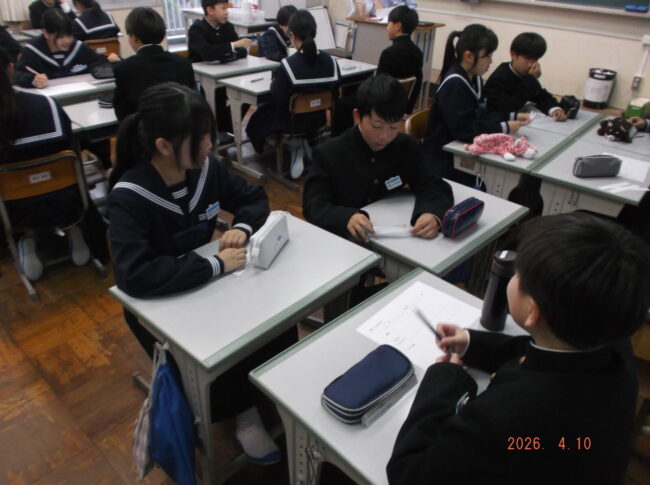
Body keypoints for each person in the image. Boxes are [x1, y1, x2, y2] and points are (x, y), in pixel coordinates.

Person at [387, 212, 650, 484]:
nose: (511, 277)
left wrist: (445, 378)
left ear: (532, 310)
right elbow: (541, 352)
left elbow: (409, 474)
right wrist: (472, 343)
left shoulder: (500, 418)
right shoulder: (614, 346)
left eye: (517, 274)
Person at [107, 82, 285, 464]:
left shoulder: (206, 169)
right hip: (159, 303)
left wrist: (243, 228)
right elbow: (134, 274)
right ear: (164, 145)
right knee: (219, 348)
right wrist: (214, 265)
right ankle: (243, 413)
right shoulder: (129, 196)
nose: (210, 144)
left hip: (207, 284)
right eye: (201, 137)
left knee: (274, 318)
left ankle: (263, 392)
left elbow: (253, 198)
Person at [303, 74, 453, 242]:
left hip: (394, 238)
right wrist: (346, 217)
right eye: (377, 126)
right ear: (357, 116)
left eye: (394, 127)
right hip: (343, 242)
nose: (384, 136)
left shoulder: (408, 147)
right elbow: (313, 205)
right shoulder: (329, 153)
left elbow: (433, 185)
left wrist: (431, 214)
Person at [0, 47, 107, 281]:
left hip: (12, 209)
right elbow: (71, 147)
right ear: (10, 69)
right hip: (66, 198)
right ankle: (73, 229)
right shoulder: (46, 105)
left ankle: (26, 240)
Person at [423, 24, 529, 187]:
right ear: (469, 56)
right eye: (488, 56)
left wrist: (511, 116)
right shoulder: (454, 85)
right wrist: (503, 127)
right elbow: (464, 130)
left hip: (458, 151)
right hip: (443, 158)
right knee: (488, 183)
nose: (491, 61)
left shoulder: (475, 77)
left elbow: (482, 113)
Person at [246, 9, 341, 179]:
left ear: (292, 35)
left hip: (292, 124)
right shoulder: (331, 63)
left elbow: (278, 98)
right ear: (314, 32)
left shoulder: (289, 65)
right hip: (318, 120)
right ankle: (304, 143)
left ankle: (297, 145)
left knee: (258, 119)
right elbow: (335, 95)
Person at [113, 7, 195, 121]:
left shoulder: (123, 68)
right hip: (181, 127)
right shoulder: (183, 63)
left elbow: (122, 113)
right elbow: (192, 102)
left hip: (144, 129)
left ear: (134, 38)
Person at [188, 0, 252, 143]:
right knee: (215, 97)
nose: (226, 12)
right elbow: (207, 53)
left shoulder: (227, 27)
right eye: (223, 8)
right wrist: (232, 47)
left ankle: (223, 128)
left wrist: (228, 50)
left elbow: (242, 52)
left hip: (226, 72)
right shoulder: (197, 29)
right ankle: (213, 131)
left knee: (246, 95)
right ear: (210, 10)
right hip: (203, 79)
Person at [15, 8, 118, 88]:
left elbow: (99, 63)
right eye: (60, 36)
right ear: (46, 33)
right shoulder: (31, 51)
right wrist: (33, 81)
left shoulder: (78, 47)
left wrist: (112, 60)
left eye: (69, 35)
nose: (67, 40)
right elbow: (18, 75)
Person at [485, 32, 567, 121]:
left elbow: (541, 96)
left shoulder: (526, 75)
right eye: (527, 58)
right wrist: (531, 80)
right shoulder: (499, 77)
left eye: (535, 60)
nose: (531, 65)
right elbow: (507, 108)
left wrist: (555, 109)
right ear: (513, 54)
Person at [376, 5, 422, 113]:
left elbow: (379, 87)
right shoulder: (417, 52)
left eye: (388, 24)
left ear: (398, 26)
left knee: (344, 103)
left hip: (384, 107)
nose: (387, 28)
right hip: (403, 106)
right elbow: (417, 83)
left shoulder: (388, 53)